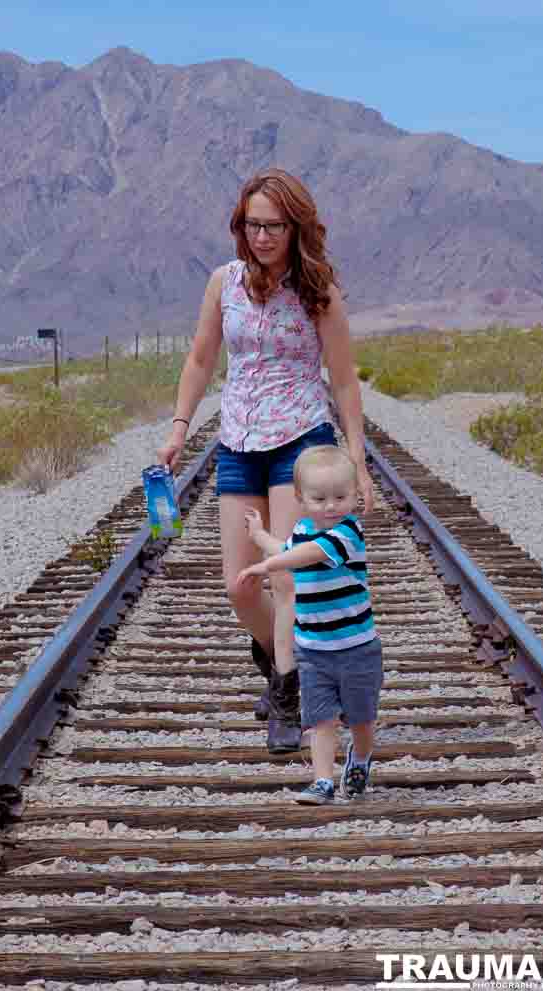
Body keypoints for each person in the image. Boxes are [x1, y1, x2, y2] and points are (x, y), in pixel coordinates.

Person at [157, 168, 374, 753]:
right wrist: (180, 427)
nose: (261, 236)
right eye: (252, 224)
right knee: (238, 587)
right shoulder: (223, 282)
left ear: (295, 227)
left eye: (273, 225)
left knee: (283, 577)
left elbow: (345, 381)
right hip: (238, 443)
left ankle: (285, 695)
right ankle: (288, 663)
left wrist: (355, 456)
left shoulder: (317, 290)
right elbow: (201, 360)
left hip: (299, 439)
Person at [237, 445, 382, 803]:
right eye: (320, 498)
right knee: (320, 720)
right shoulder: (301, 530)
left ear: (354, 497)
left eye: (340, 496)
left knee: (361, 719)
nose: (331, 505)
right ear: (301, 499)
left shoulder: (348, 533)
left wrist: (266, 566)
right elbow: (286, 548)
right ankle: (322, 781)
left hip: (357, 648)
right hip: (314, 649)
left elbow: (306, 556)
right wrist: (259, 537)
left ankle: (360, 758)